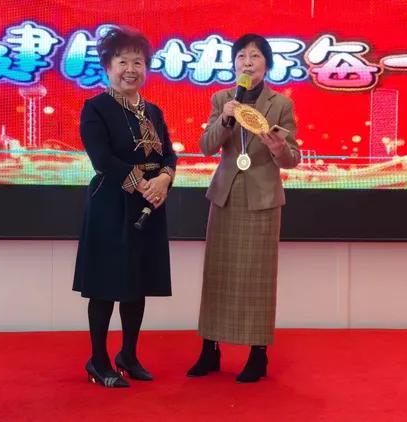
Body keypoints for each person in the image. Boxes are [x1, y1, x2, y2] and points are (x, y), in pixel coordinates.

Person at [187, 33, 301, 383]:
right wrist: (224, 119)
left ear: (267, 64)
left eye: (255, 56)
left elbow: (292, 159)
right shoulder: (223, 98)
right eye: (241, 56)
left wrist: (279, 148)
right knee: (217, 272)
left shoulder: (280, 104)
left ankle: (258, 354)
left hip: (263, 198)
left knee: (257, 276)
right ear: (234, 63)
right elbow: (206, 147)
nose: (247, 62)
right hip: (226, 194)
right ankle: (210, 349)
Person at [73, 27, 176, 388]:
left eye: (138, 62)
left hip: (149, 206)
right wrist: (143, 185)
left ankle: (128, 355)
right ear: (108, 67)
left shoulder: (154, 111)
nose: (130, 69)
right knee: (104, 285)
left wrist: (163, 180)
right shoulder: (95, 108)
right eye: (122, 62)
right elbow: (102, 159)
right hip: (110, 205)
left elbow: (169, 155)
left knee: (137, 283)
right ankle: (98, 360)